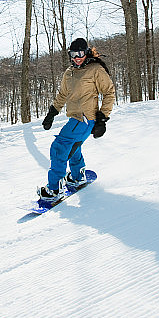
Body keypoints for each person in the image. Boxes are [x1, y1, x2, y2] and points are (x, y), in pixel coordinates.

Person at [39, 37, 115, 203]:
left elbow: (109, 93)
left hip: (86, 118)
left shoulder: (95, 69)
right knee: (73, 145)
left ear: (86, 52)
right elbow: (63, 95)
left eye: (80, 53)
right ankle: (77, 175)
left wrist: (103, 119)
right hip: (75, 118)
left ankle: (54, 189)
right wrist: (52, 113)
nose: (77, 57)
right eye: (73, 54)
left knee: (59, 147)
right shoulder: (69, 72)